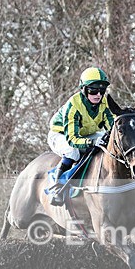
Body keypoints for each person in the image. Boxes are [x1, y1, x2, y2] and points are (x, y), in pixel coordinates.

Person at [47, 67, 114, 205]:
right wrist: (92, 142)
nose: (98, 95)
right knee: (73, 152)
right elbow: (72, 139)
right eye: (93, 90)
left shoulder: (104, 103)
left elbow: (112, 127)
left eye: (101, 91)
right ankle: (57, 188)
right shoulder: (74, 105)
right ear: (83, 89)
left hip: (87, 133)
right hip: (61, 135)